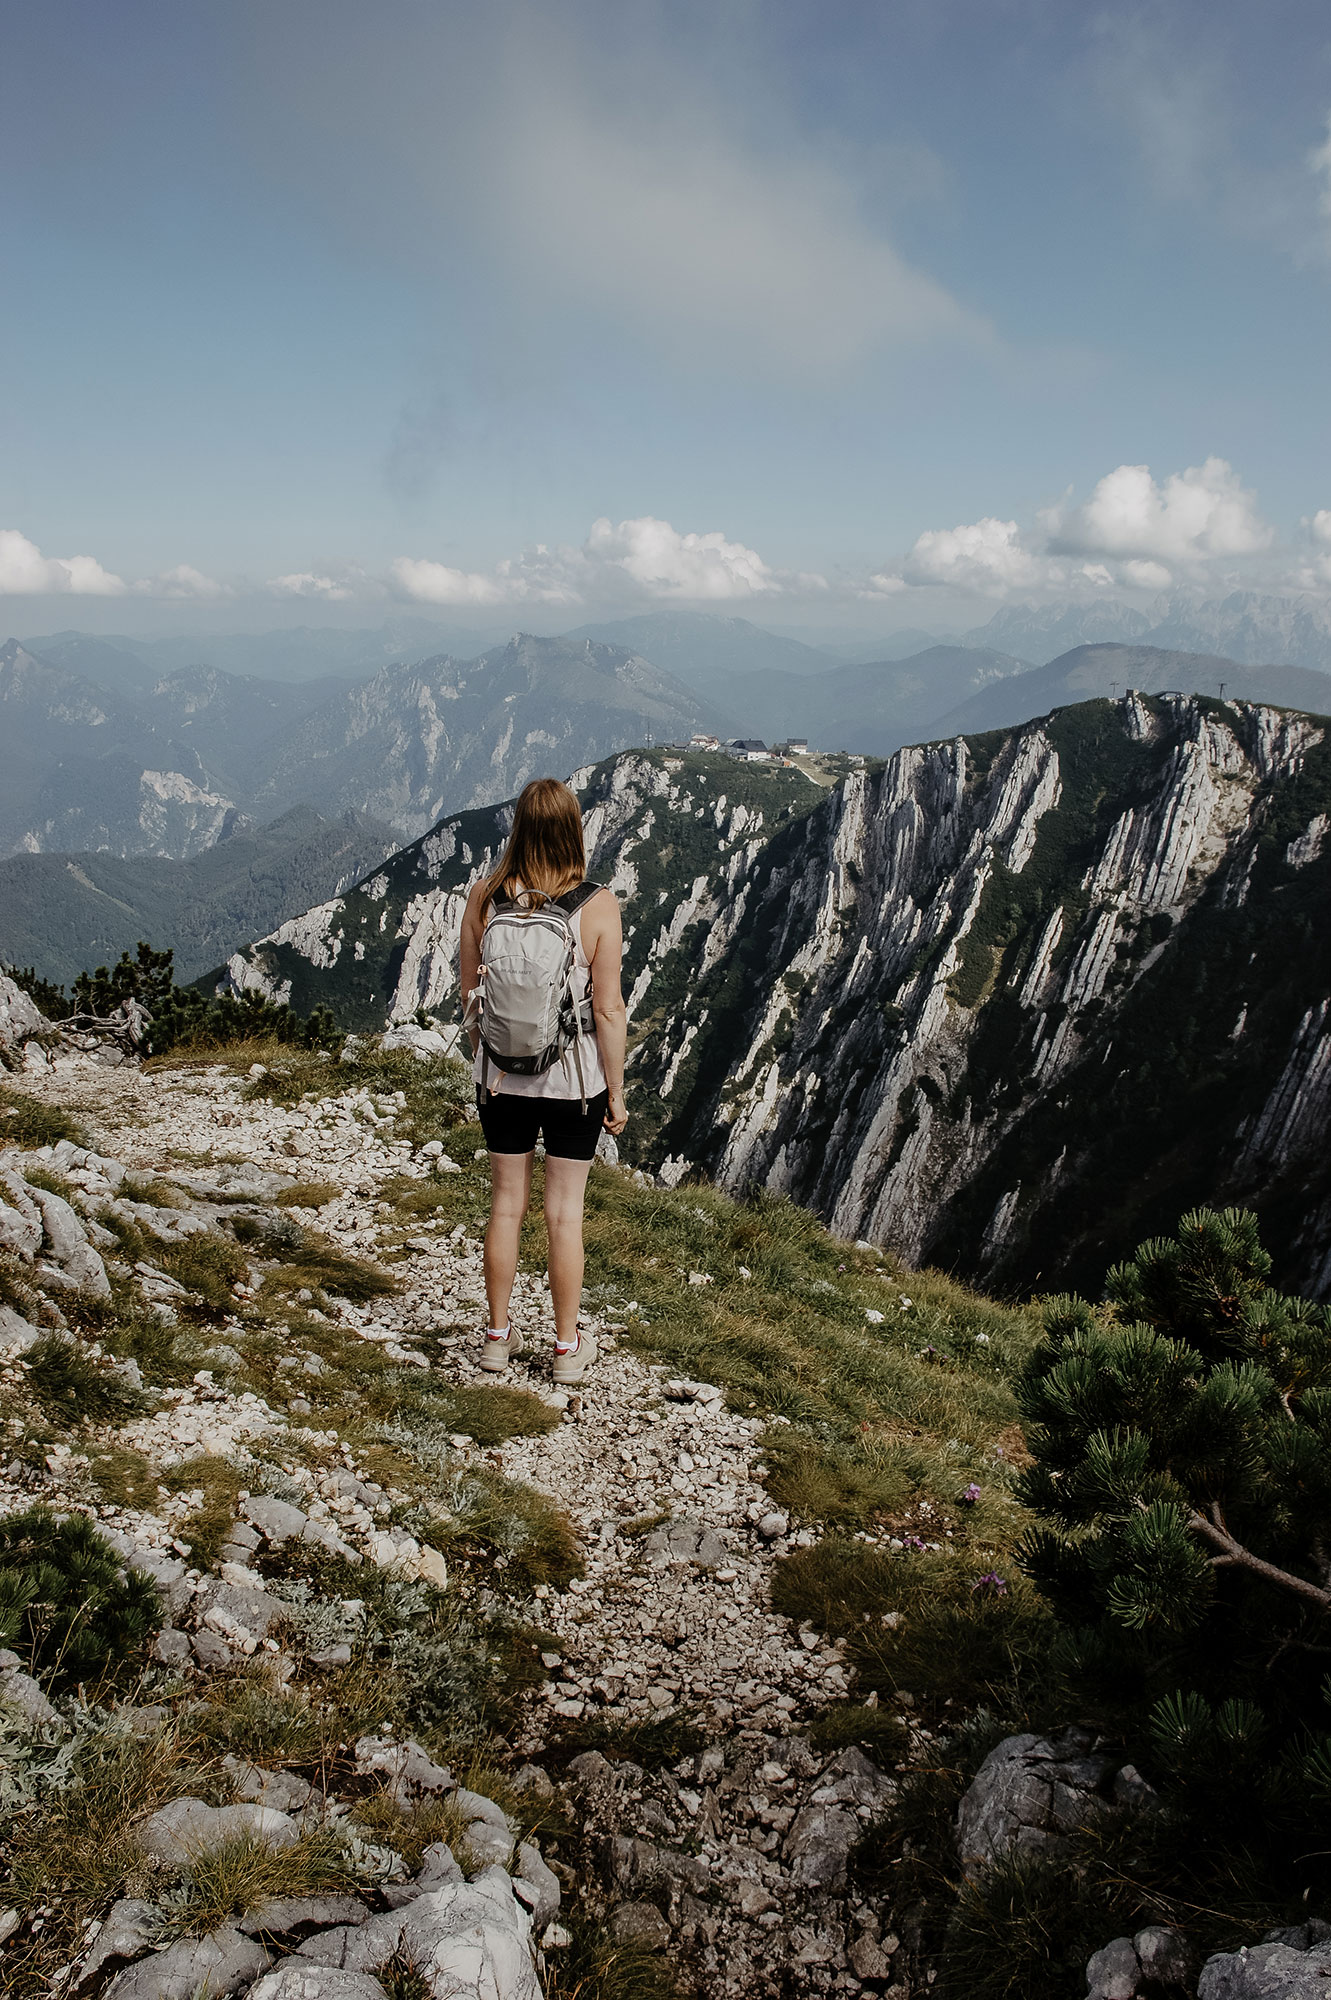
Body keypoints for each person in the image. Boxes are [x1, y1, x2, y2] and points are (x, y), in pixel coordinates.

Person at [460, 777, 628, 1386]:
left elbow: (469, 995)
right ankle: (564, 1349)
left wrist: (490, 1060)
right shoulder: (597, 904)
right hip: (574, 1085)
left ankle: (497, 1340)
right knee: (564, 1214)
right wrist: (616, 1090)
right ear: (573, 829)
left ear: (519, 828)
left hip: (500, 1081)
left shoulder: (484, 897)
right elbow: (608, 1010)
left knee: (506, 1206)